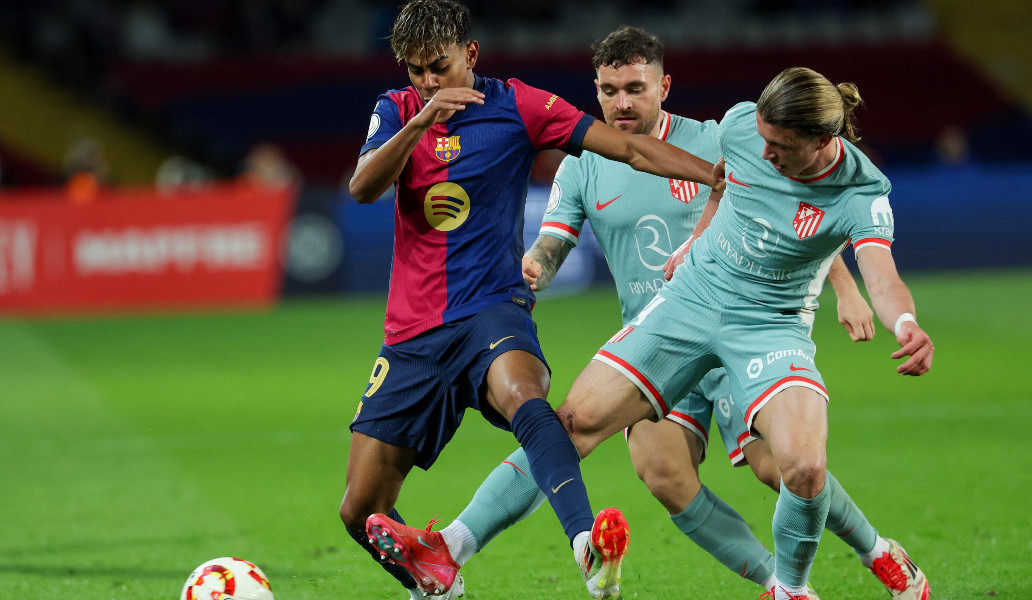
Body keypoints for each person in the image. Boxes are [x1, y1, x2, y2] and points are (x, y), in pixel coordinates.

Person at [420, 28, 926, 600]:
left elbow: (799, 220)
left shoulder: (727, 140)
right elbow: (566, 238)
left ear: (664, 86)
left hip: (764, 323)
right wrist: (538, 263)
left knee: (786, 468)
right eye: (609, 90)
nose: (621, 102)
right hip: (680, 310)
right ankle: (451, 548)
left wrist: (853, 292)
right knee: (632, 457)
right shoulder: (596, 161)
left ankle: (874, 550)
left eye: (635, 88)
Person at [340, 3, 719, 600]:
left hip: (490, 307)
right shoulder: (396, 109)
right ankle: (436, 583)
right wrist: (421, 121)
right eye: (416, 71)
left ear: (470, 54)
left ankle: (585, 544)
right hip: (412, 332)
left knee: (525, 396)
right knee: (360, 511)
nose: (429, 81)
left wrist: (716, 176)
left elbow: (629, 150)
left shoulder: (520, 105)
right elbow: (363, 187)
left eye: (439, 66)